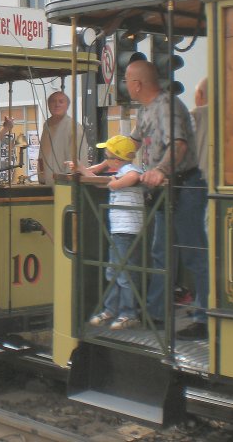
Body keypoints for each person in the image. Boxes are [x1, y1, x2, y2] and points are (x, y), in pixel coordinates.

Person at [125, 59, 208, 340]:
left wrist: (160, 170)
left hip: (185, 186)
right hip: (165, 190)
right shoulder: (145, 111)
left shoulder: (169, 106)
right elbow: (131, 144)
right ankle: (156, 313)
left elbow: (179, 144)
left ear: (137, 84)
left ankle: (205, 317)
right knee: (161, 252)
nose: (127, 87)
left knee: (192, 252)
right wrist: (101, 165)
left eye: (127, 81)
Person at [71, 135, 144, 330]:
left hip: (127, 230)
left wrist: (116, 184)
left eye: (107, 156)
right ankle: (111, 309)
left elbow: (134, 176)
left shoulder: (129, 171)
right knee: (113, 270)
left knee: (124, 273)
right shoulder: (119, 172)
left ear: (117, 160)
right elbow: (98, 182)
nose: (105, 160)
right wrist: (81, 169)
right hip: (119, 230)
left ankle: (129, 312)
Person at [39, 91, 89, 185]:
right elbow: (42, 154)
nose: (57, 104)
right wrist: (41, 176)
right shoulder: (47, 125)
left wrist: (68, 180)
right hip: (47, 182)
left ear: (67, 105)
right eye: (53, 101)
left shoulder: (73, 127)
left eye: (61, 101)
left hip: (66, 183)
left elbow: (77, 158)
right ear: (48, 105)